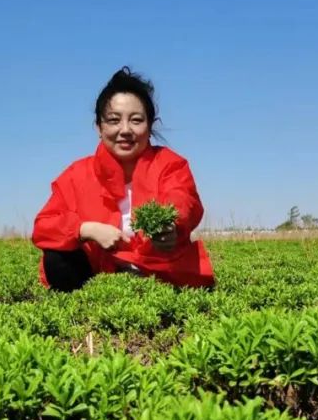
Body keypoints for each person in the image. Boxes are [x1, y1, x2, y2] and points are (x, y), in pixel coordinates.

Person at [31, 67, 215, 291]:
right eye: (114, 120)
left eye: (136, 120)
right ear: (99, 127)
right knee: (56, 258)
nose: (125, 130)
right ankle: (89, 300)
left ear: (150, 126)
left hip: (157, 266)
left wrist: (170, 226)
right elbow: (44, 226)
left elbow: (183, 198)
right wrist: (86, 230)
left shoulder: (169, 164)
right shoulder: (77, 174)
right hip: (98, 267)